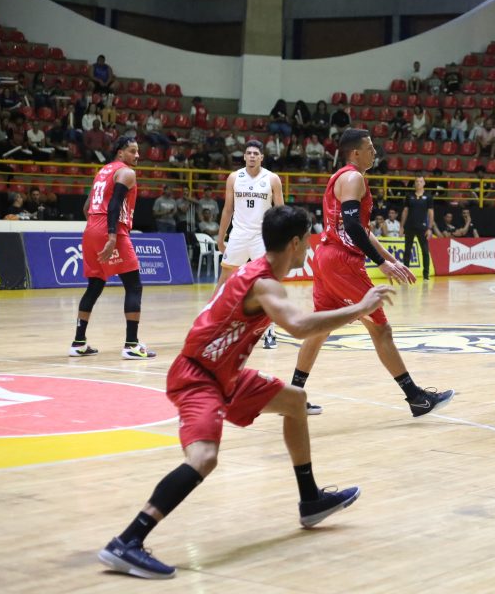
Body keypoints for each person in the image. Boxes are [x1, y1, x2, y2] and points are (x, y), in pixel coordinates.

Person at [97, 206, 394, 580]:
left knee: (295, 401)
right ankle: (127, 541)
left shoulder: (259, 273)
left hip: (226, 374)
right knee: (204, 458)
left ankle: (311, 500)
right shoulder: (264, 283)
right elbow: (299, 326)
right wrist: (360, 308)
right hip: (199, 377)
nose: (311, 246)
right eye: (308, 239)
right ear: (295, 243)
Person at [292, 129, 453, 417]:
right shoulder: (354, 178)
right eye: (370, 148)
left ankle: (293, 396)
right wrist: (380, 263)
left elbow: (362, 230)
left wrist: (392, 260)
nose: (375, 152)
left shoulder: (339, 178)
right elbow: (353, 227)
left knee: (320, 328)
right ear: (355, 153)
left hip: (326, 257)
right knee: (381, 329)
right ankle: (416, 397)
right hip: (343, 262)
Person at [69, 137, 155, 360]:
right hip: (111, 230)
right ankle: (131, 345)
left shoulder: (103, 172)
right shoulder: (126, 173)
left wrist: (96, 229)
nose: (137, 155)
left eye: (138, 151)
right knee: (134, 286)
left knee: (95, 285)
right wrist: (111, 236)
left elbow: (86, 207)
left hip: (91, 229)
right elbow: (115, 204)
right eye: (132, 151)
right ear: (120, 153)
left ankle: (78, 343)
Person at [214, 139, 285, 343]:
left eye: (256, 153)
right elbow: (228, 210)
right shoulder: (234, 178)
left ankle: (269, 331)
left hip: (262, 237)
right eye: (249, 153)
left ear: (262, 157)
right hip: (238, 235)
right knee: (224, 280)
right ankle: (214, 324)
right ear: (244, 156)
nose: (252, 156)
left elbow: (280, 211)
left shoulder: (272, 179)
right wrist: (221, 237)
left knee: (268, 283)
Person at [401, 176, 437, 281]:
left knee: (425, 251)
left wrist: (430, 228)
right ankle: (406, 274)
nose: (418, 183)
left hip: (423, 228)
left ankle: (426, 275)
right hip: (410, 226)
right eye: (416, 181)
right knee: (407, 250)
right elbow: (405, 211)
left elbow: (431, 213)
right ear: (414, 183)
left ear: (424, 183)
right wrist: (402, 226)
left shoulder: (428, 196)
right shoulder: (409, 196)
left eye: (420, 181)